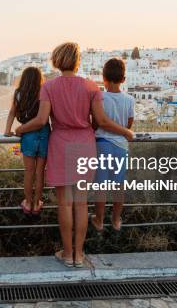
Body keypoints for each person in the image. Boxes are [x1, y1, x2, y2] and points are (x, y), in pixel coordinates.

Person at [15, 42, 133, 268]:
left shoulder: (48, 87)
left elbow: (41, 120)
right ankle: (80, 255)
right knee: (81, 204)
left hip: (60, 144)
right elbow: (102, 121)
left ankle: (67, 254)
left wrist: (19, 130)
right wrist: (126, 131)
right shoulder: (91, 87)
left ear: (57, 61)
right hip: (84, 145)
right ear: (78, 61)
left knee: (65, 204)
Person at [90, 58, 134, 233]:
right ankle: (116, 220)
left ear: (103, 78)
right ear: (123, 79)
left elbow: (95, 123)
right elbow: (129, 124)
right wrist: (121, 131)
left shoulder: (99, 97)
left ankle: (99, 220)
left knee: (101, 184)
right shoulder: (129, 99)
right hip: (121, 146)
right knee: (119, 185)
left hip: (101, 143)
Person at [4, 66, 49, 215]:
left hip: (28, 133)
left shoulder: (18, 94)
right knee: (40, 171)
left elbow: (12, 112)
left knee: (29, 171)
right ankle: (37, 203)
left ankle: (28, 203)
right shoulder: (43, 92)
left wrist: (7, 130)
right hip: (44, 133)